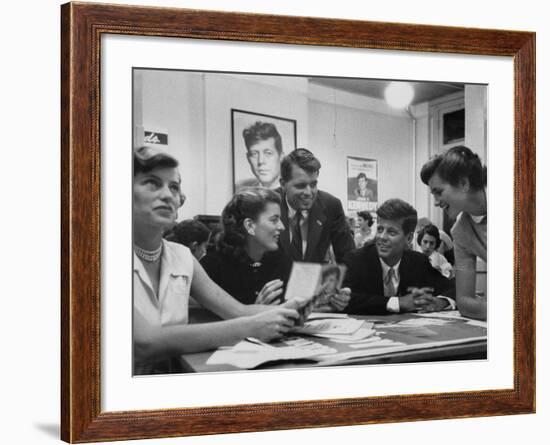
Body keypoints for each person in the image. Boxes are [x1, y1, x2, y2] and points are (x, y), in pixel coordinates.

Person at [132, 146, 302, 375]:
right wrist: (250, 328)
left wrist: (290, 311)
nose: (167, 195)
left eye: (174, 186)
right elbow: (144, 343)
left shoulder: (182, 256)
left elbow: (238, 311)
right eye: (152, 183)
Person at [343, 199, 454, 315]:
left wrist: (441, 302)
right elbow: (344, 300)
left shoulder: (418, 262)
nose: (382, 237)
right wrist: (397, 303)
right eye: (380, 229)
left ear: (409, 238)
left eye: (391, 232)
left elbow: (452, 288)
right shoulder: (356, 260)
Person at [420, 145, 487, 320]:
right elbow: (465, 303)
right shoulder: (460, 231)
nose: (435, 202)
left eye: (438, 192)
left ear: (464, 183)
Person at [200, 187, 292, 305]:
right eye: (274, 220)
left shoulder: (281, 261)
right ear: (249, 225)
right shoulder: (212, 267)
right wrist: (255, 310)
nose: (282, 227)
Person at [277, 148, 355, 263]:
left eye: (313, 184)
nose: (308, 192)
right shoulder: (267, 204)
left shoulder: (331, 206)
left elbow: (348, 258)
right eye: (300, 185)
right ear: (283, 184)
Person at [236, 122, 284, 191]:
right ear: (248, 158)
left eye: (268, 153)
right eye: (254, 154)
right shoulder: (242, 191)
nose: (260, 161)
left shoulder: (296, 195)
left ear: (281, 157)